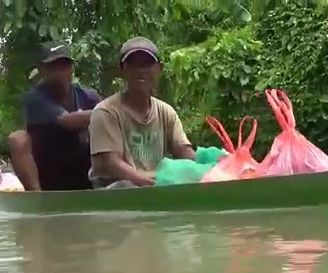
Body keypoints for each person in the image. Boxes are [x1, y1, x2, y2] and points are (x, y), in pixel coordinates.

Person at [89, 37, 196, 189]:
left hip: (153, 188)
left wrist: (210, 164)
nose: (140, 70)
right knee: (126, 185)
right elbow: (109, 163)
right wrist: (141, 178)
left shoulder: (166, 112)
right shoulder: (106, 112)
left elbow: (184, 151)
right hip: (115, 192)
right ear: (122, 70)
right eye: (132, 64)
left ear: (159, 68)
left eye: (146, 63)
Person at [8, 41, 101, 191]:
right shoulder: (35, 97)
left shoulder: (88, 96)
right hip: (49, 171)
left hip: (83, 167)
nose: (60, 72)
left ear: (71, 68)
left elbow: (110, 122)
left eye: (64, 65)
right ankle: (37, 199)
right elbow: (67, 121)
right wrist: (109, 111)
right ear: (42, 70)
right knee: (18, 139)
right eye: (53, 67)